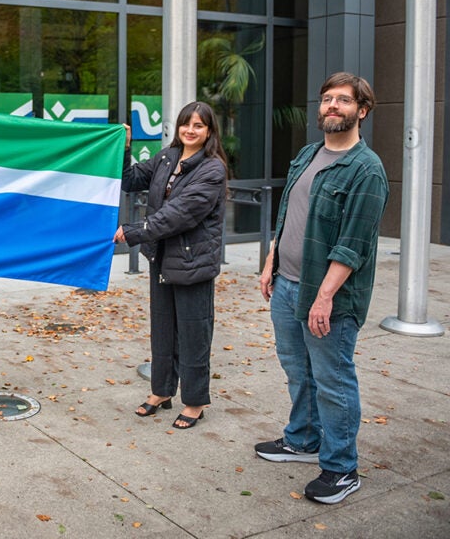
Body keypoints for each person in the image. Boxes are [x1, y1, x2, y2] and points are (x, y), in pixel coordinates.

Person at [255, 72, 388, 504]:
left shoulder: (366, 170)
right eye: (327, 99)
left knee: (333, 381)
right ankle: (302, 439)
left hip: (328, 297)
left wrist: (325, 296)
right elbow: (288, 214)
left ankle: (341, 468)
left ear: (361, 111)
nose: (332, 106)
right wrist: (271, 261)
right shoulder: (308, 154)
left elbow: (353, 244)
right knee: (298, 372)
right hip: (287, 285)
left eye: (343, 101)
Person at [114, 102, 227, 430]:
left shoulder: (211, 169)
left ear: (209, 131)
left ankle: (195, 401)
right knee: (163, 332)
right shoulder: (167, 157)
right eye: (185, 124)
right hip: (162, 260)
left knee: (193, 335)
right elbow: (129, 179)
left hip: (193, 263)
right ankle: (161, 392)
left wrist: (134, 232)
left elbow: (179, 214)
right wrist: (123, 147)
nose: (190, 131)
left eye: (199, 126)